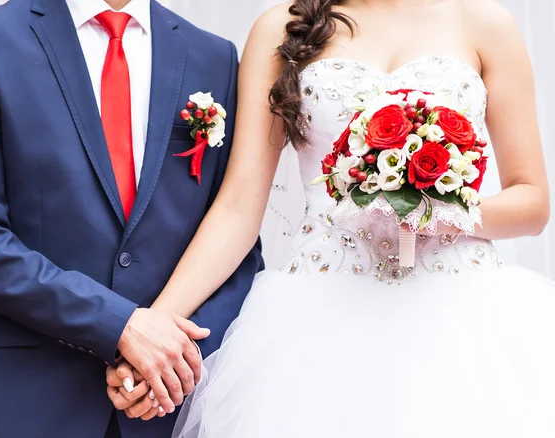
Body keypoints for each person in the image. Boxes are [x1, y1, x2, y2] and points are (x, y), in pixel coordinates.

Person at [105, 0, 555, 436]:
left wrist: (437, 212)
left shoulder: (484, 22)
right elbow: (239, 205)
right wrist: (153, 328)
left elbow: (531, 201)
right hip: (320, 313)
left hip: (463, 317)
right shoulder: (281, 28)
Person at [0, 0, 263, 437]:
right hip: (30, 400)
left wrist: (175, 360)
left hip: (167, 408)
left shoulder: (214, 56)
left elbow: (236, 246)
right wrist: (118, 325)